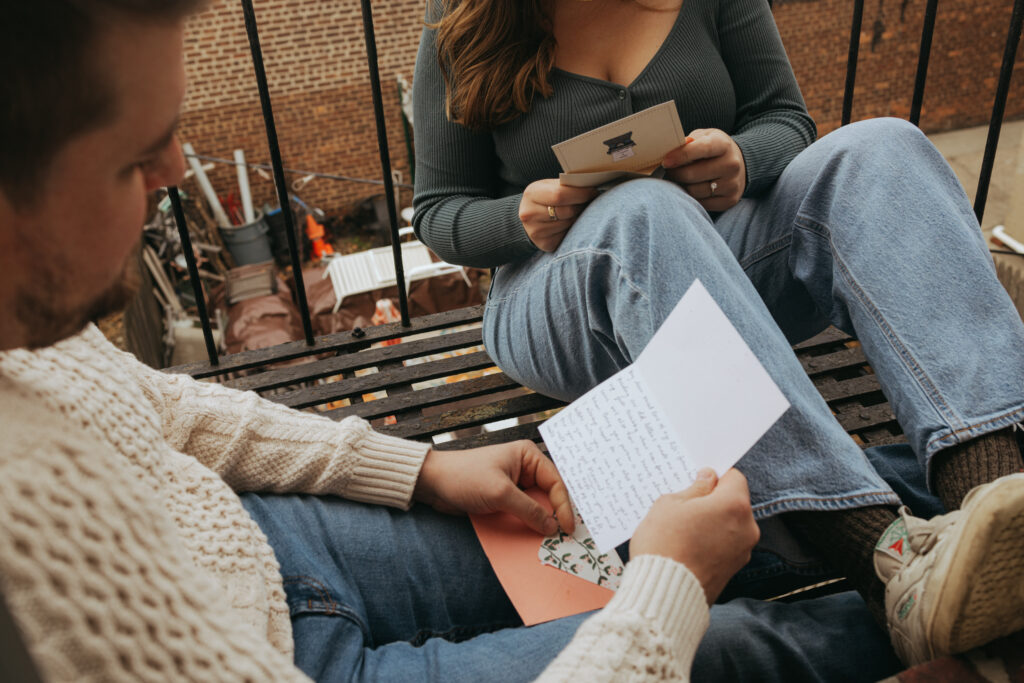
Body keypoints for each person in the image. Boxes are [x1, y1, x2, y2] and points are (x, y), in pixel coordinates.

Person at [0, 1, 915, 682]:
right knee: (726, 645)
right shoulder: (35, 559)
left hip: (288, 533)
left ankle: (937, 515)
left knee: (629, 521)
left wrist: (419, 471)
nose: (175, 170)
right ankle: (951, 615)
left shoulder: (34, 344)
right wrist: (672, 586)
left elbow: (163, 404)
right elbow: (441, 211)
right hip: (305, 660)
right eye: (134, 156)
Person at [412, 0, 1024, 667]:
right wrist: (520, 214)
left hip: (711, 254)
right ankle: (889, 566)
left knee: (879, 148)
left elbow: (784, 119)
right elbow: (441, 212)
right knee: (644, 209)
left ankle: (997, 493)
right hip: (554, 291)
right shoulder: (465, 15)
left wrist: (741, 158)